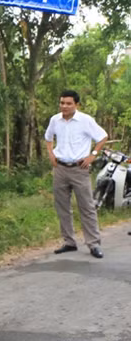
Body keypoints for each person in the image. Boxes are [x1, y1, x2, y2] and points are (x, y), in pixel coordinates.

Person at [44, 90, 107, 259]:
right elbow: (48, 138)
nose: (64, 106)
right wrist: (51, 153)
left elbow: (102, 137)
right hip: (60, 168)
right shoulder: (55, 120)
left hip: (79, 169)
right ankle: (69, 242)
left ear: (76, 105)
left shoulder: (85, 121)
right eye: (62, 103)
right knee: (62, 207)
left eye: (68, 103)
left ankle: (93, 243)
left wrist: (92, 155)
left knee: (87, 207)